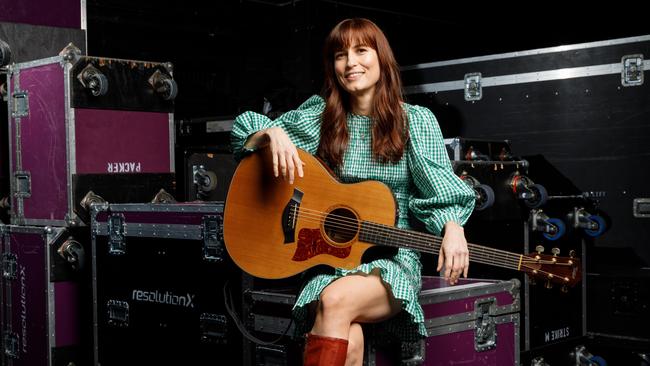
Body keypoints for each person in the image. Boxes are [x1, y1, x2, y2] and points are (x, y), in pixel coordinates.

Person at [231, 18, 475, 366]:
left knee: (334, 303)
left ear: (381, 59)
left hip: (392, 259)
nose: (350, 63)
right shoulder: (322, 116)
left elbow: (439, 187)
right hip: (326, 257)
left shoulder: (414, 121)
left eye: (361, 50)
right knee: (351, 338)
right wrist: (271, 133)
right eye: (340, 55)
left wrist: (453, 226)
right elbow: (244, 134)